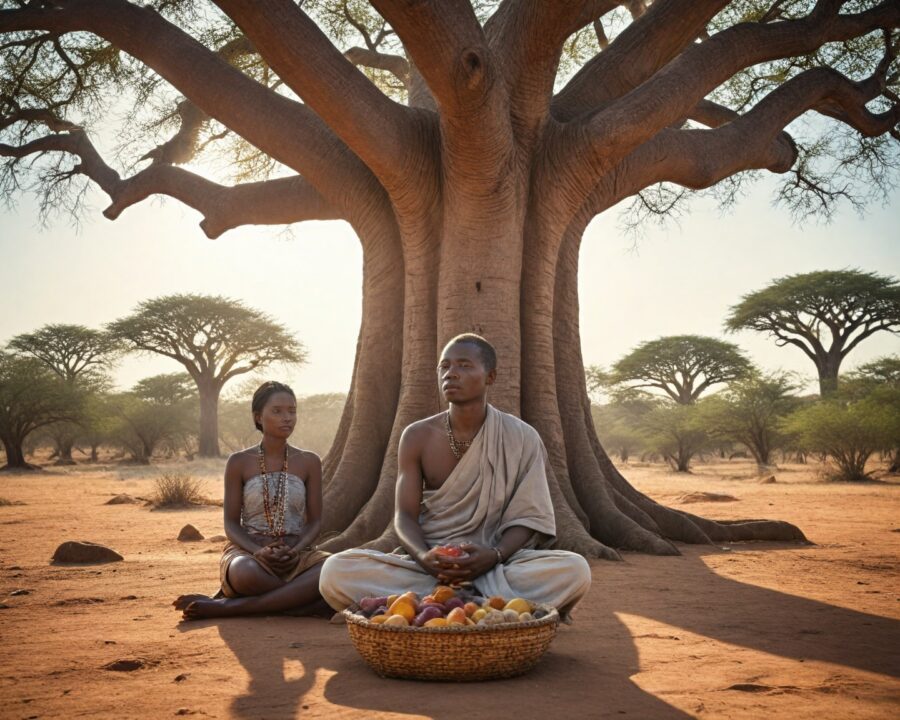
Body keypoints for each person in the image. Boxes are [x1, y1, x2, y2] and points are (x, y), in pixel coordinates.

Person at [319, 334, 591, 618]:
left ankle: (426, 606)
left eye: (464, 365)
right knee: (335, 571)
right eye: (444, 366)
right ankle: (482, 607)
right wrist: (426, 558)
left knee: (575, 570)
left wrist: (494, 555)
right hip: (430, 567)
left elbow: (529, 517)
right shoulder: (417, 436)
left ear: (491, 376)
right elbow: (404, 516)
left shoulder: (522, 437)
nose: (451, 374)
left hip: (496, 565)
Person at [174, 381, 330, 619]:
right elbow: (231, 524)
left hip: (297, 554)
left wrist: (296, 550)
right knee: (245, 574)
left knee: (336, 569)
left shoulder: (309, 461)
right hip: (250, 552)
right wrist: (258, 552)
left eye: (292, 410)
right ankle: (306, 605)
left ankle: (231, 607)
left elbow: (315, 522)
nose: (287, 417)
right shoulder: (239, 462)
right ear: (258, 417)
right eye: (277, 411)